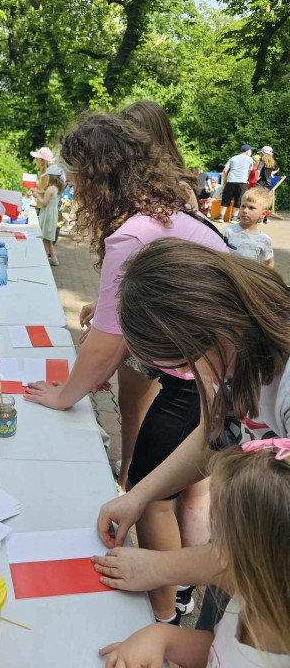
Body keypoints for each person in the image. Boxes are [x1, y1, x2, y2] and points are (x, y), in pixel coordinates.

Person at [25, 114, 228, 625]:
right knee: (164, 485)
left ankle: (163, 615)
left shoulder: (130, 234)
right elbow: (116, 321)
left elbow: (106, 345)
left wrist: (66, 395)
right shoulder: (164, 208)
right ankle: (177, 594)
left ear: (96, 176)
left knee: (151, 489)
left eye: (75, 176)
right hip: (210, 369)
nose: (70, 185)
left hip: (201, 377)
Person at [92, 240, 290, 626]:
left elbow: (276, 549)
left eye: (186, 360)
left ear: (212, 327)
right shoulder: (236, 347)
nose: (194, 375)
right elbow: (215, 433)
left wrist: (163, 568)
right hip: (239, 552)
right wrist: (140, 495)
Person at [99, 442, 290, 668]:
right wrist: (162, 637)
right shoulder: (244, 602)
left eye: (218, 541)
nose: (212, 550)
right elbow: (217, 649)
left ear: (249, 559)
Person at [223, 187, 274, 267]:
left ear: (263, 214)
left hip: (251, 278)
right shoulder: (227, 232)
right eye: (243, 206)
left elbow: (269, 263)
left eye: (251, 208)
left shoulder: (265, 240)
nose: (245, 210)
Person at [31, 165, 64, 266]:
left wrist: (37, 196)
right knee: (48, 238)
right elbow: (48, 192)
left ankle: (44, 258)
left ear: (52, 177)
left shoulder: (50, 188)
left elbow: (44, 203)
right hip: (53, 214)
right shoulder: (57, 188)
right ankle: (53, 258)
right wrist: (40, 191)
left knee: (45, 237)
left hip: (47, 214)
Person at [216, 144, 255, 223]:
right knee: (239, 199)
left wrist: (224, 180)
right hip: (242, 181)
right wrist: (246, 178)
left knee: (226, 198)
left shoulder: (233, 158)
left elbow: (225, 170)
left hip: (231, 181)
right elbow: (249, 171)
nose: (251, 152)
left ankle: (221, 216)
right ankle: (234, 218)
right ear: (247, 151)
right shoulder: (250, 159)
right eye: (250, 150)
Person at [30, 147, 54, 211]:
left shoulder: (48, 174)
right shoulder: (43, 173)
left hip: (46, 209)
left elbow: (52, 191)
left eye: (37, 159)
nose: (36, 161)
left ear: (43, 161)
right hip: (41, 206)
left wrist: (37, 193)